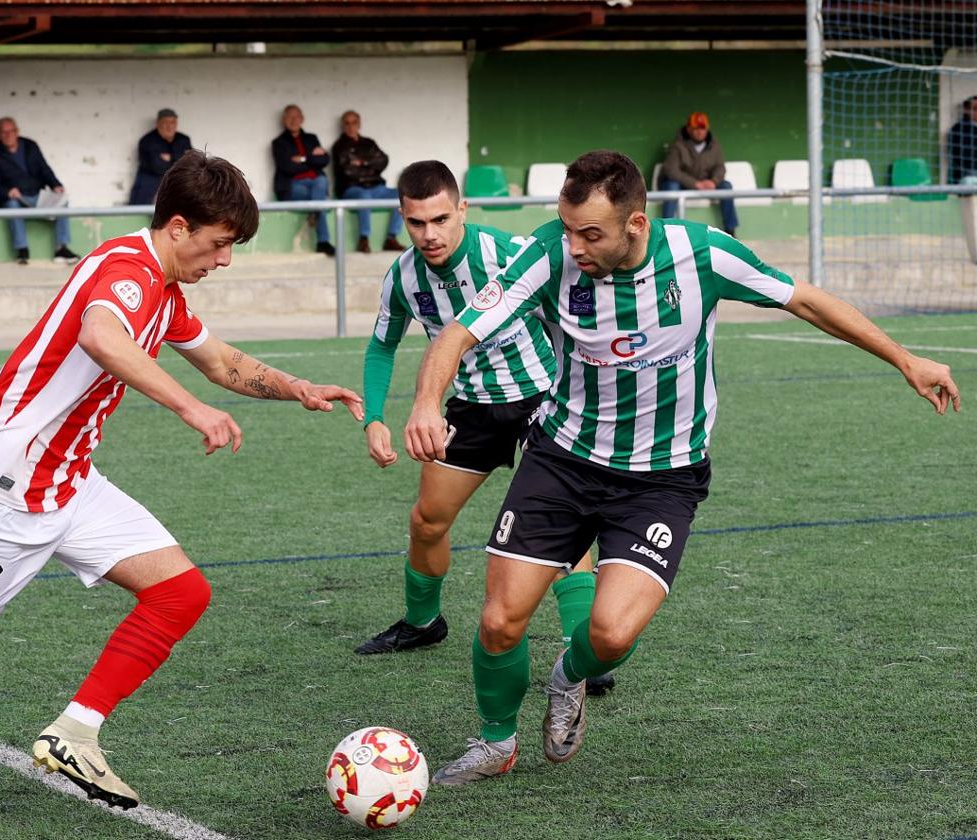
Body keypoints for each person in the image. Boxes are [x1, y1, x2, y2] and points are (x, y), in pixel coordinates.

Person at [403, 150, 960, 787]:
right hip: (561, 459)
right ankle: (495, 744)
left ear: (635, 225)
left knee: (609, 636)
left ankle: (568, 676)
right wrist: (425, 401)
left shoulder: (703, 255)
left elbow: (803, 300)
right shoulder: (549, 255)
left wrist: (904, 358)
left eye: (592, 234)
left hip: (661, 478)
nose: (575, 246)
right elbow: (457, 335)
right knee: (501, 620)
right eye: (567, 228)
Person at [0, 151, 364, 812]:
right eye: (219, 244)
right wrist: (190, 409)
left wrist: (299, 387)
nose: (224, 259)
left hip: (68, 482)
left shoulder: (165, 293)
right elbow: (100, 335)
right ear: (179, 226)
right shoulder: (127, 273)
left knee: (180, 592)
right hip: (3, 491)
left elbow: (223, 362)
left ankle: (75, 732)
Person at [355, 161, 612, 697]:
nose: (429, 234)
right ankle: (423, 623)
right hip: (471, 408)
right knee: (427, 520)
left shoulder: (509, 253)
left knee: (565, 533)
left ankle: (583, 651)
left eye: (440, 219)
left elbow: (572, 308)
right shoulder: (403, 276)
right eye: (416, 222)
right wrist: (375, 417)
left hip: (543, 400)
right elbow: (383, 345)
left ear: (463, 210)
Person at [0, 116, 80, 266]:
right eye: (3, 132)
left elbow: (44, 169)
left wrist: (56, 185)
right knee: (11, 206)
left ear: (17, 131)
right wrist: (8, 192)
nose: (8, 135)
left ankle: (61, 249)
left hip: (37, 195)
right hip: (16, 199)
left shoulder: (30, 146)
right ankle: (22, 250)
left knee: (63, 200)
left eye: (11, 131)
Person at [331, 111, 403, 253]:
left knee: (402, 194)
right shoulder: (339, 147)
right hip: (352, 189)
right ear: (342, 126)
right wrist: (371, 166)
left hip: (376, 187)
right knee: (364, 197)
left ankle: (391, 238)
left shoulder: (369, 143)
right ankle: (364, 239)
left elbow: (383, 160)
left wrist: (362, 163)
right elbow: (347, 171)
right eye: (347, 123)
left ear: (360, 124)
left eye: (354, 122)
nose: (351, 126)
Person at [660, 111, 738, 237]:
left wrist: (713, 181)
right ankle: (666, 230)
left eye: (702, 128)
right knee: (671, 186)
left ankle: (730, 231)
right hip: (683, 184)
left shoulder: (714, 145)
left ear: (707, 129)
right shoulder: (678, 145)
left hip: (707, 183)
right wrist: (695, 183)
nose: (699, 132)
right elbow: (671, 170)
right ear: (689, 129)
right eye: (696, 128)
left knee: (726, 186)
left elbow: (720, 167)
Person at [272, 104, 334, 256]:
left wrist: (302, 159)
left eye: (296, 117)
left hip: (315, 185)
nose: (294, 120)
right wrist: (311, 159)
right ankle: (323, 241)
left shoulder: (311, 138)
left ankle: (317, 218)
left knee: (320, 181)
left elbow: (324, 160)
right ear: (284, 120)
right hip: (292, 187)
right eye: (290, 117)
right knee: (321, 198)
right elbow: (287, 167)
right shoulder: (279, 143)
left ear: (302, 119)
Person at [129, 108, 192, 205]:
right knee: (148, 185)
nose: (169, 127)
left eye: (172, 123)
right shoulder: (147, 141)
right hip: (152, 181)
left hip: (176, 178)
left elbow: (191, 162)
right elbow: (157, 167)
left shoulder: (183, 140)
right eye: (166, 123)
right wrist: (177, 159)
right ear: (158, 124)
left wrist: (170, 158)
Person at [947, 95, 977, 183]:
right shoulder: (959, 129)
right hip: (968, 171)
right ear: (967, 110)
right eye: (975, 109)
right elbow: (963, 156)